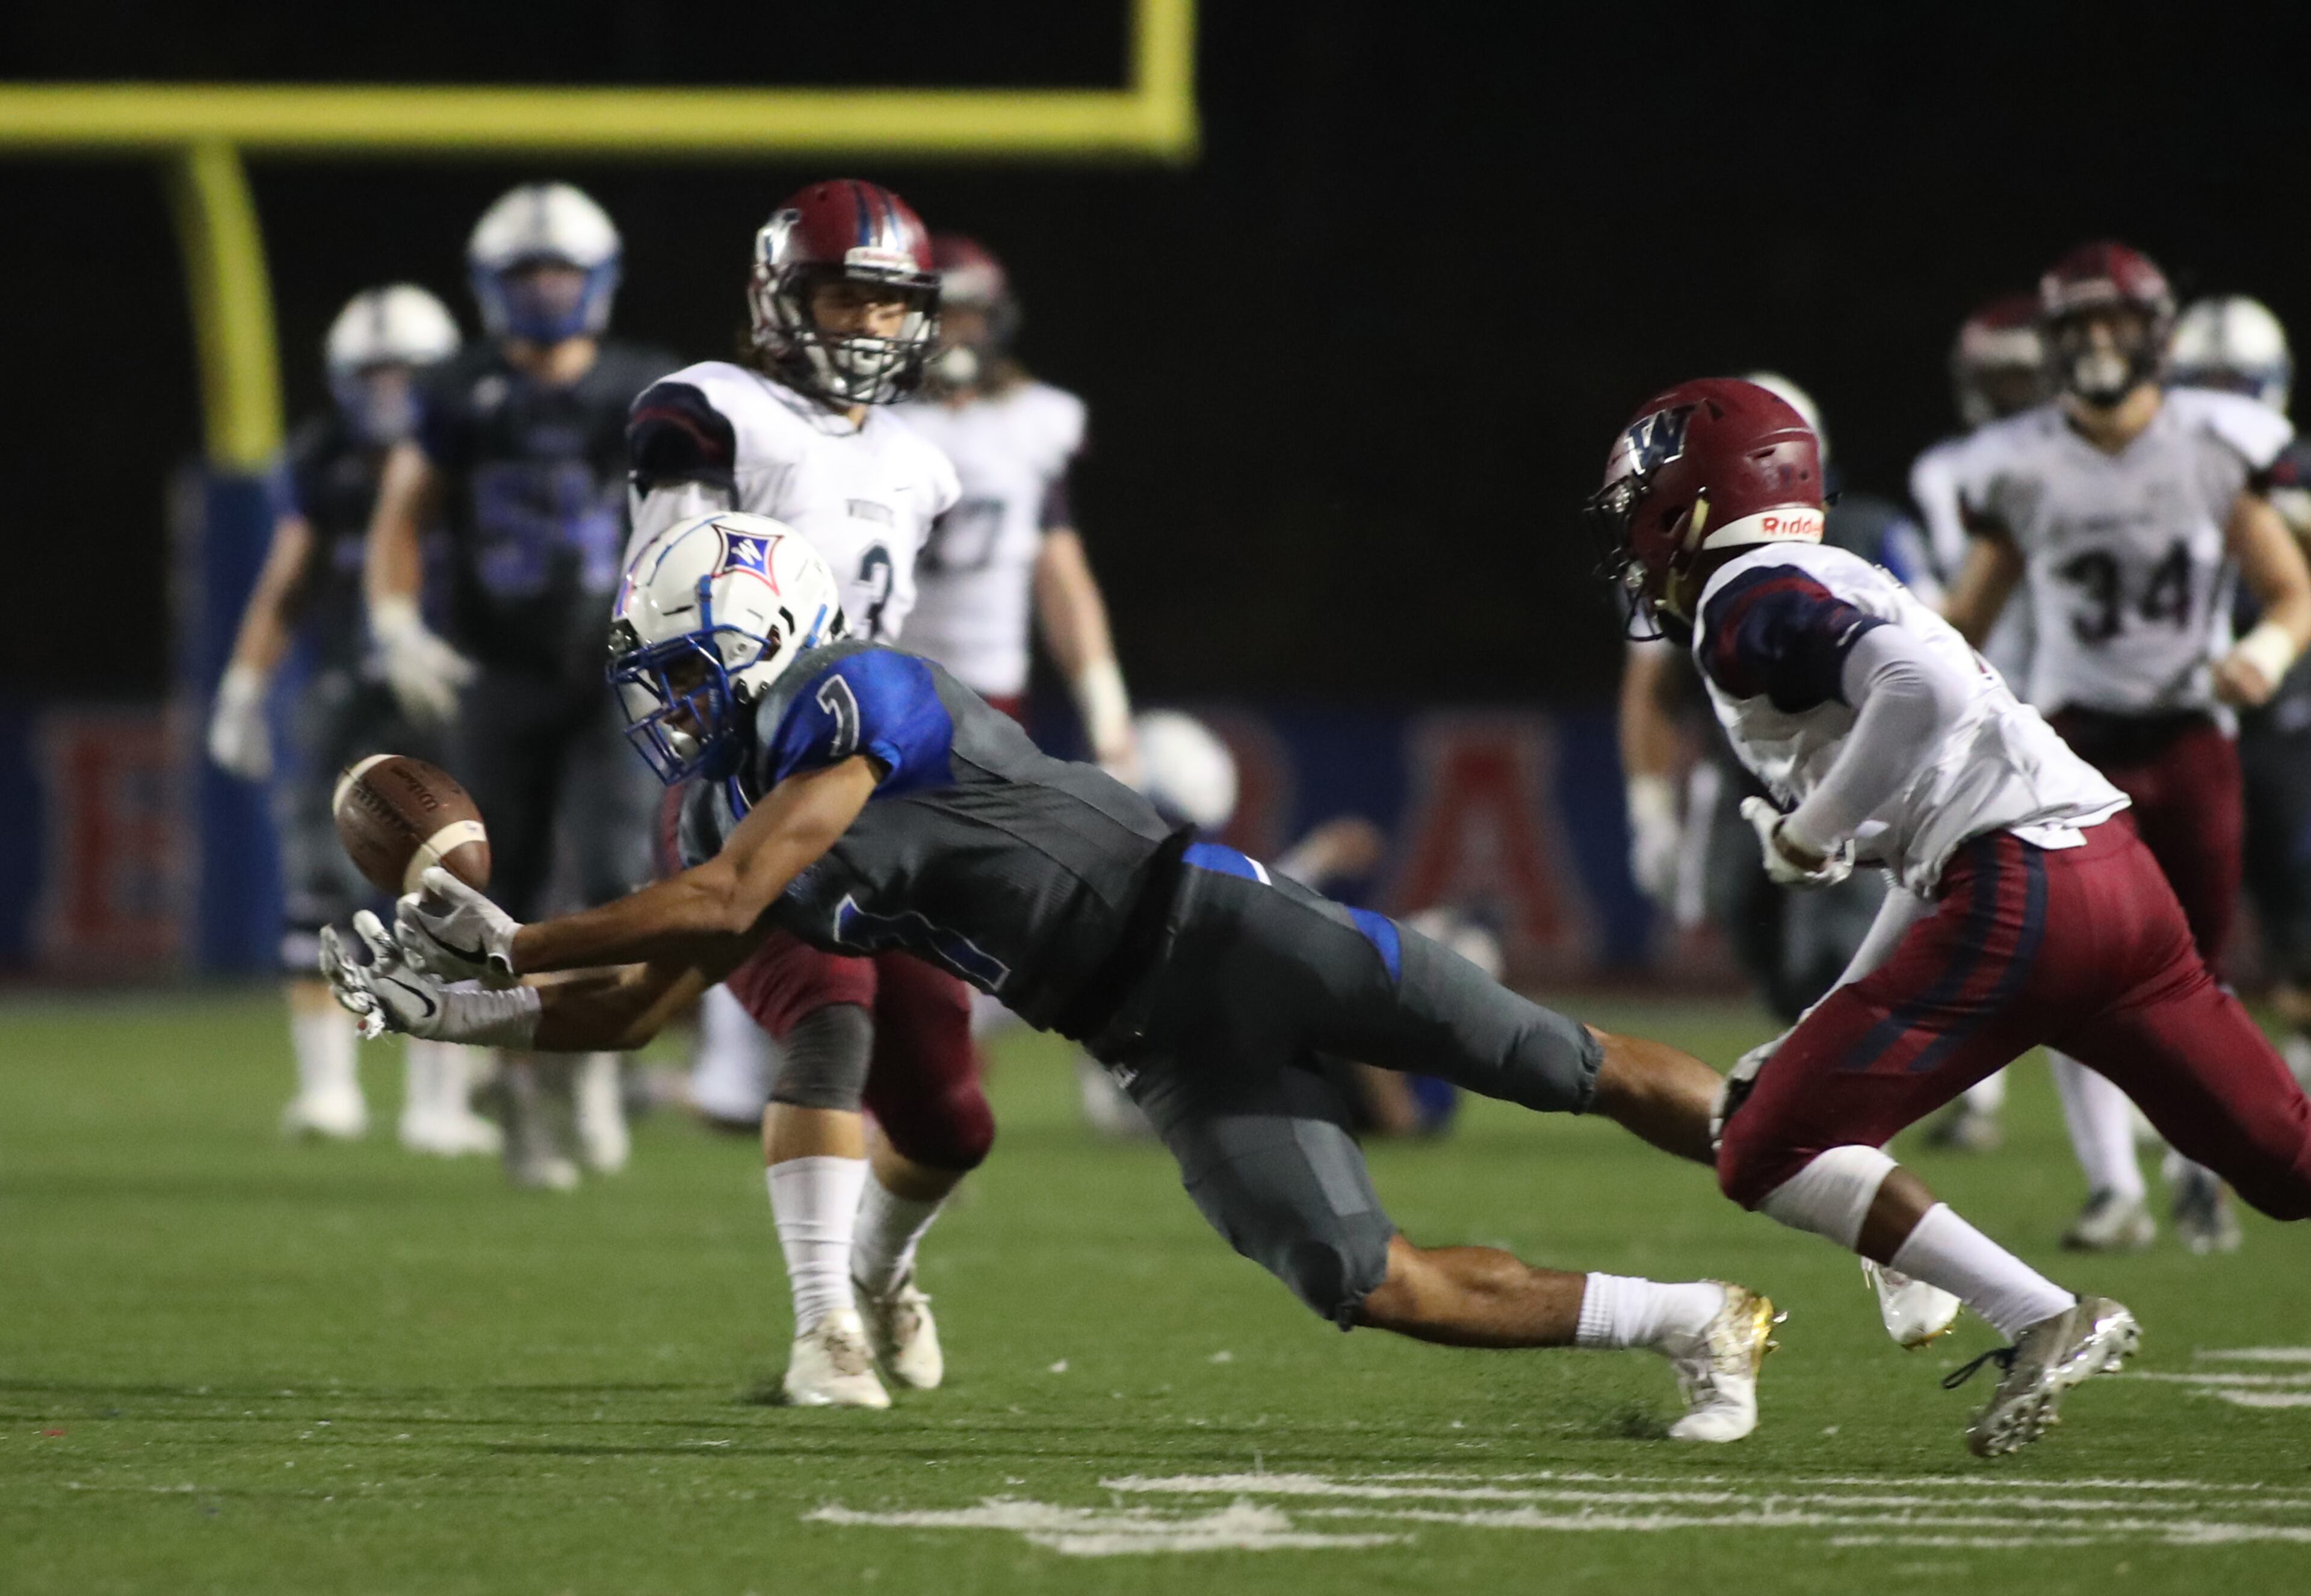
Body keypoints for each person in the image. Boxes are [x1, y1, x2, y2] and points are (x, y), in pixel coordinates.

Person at [329, 510, 1784, 1444]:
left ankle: (1852, 1189)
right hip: (1140, 1033)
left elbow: (719, 898)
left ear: (761, 636)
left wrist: (515, 936)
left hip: (1223, 927)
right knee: (1355, 1274)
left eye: (686, 669)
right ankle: (1697, 1319)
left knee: (1557, 1065)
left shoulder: (857, 691)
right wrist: (462, 1009)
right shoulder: (729, 811)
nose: (670, 705)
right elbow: (640, 1003)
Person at [1587, 375, 2311, 1454]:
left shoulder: (1745, 602)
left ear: (1692, 504)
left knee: (1762, 1144)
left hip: (2020, 897)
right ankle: (2031, 1309)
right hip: (2113, 882)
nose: (1634, 543)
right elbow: (1931, 853)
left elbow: (1921, 689)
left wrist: (1811, 829)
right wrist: (1816, 1018)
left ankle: (2040, 1314)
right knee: (2288, 1166)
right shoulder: (1824, 574)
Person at [620, 179, 972, 1409]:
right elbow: (661, 597)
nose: (874, 327)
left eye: (894, 304)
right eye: (848, 296)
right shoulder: (714, 413)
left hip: (883, 788)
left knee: (952, 1113)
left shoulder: (924, 466)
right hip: (749, 771)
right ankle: (824, 1327)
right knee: (831, 1019)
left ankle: (884, 1271)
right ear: (783, 297)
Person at [1940, 243, 2311, 1253]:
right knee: (2069, 969)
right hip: (2075, 744)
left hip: (2193, 737)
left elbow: (2292, 587)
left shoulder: (2213, 445)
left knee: (2199, 971)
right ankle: (2114, 1185)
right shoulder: (2019, 466)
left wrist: (2267, 652)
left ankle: (2199, 1169)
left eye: (2115, 325)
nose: (2099, 346)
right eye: (2079, 330)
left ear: (2157, 334)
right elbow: (1967, 613)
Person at [362, 182, 675, 1190]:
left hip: (614, 668)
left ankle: (586, 1062)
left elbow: (693, 520)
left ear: (600, 280)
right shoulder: (458, 389)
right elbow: (403, 508)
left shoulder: (649, 386)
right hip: (499, 669)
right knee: (497, 891)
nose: (546, 292)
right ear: (493, 288)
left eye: (562, 273)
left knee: (625, 868)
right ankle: (527, 1089)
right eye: (528, 274)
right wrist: (395, 619)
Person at [206, 283, 498, 1155]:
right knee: (317, 892)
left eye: (406, 372)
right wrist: (243, 686)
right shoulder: (326, 458)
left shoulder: (483, 450)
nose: (389, 391)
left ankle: (439, 1101)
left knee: (456, 897)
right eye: (373, 373)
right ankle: (329, 1090)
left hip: (453, 689)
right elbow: (288, 581)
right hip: (347, 693)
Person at [1620, 376, 1916, 1023]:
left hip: (1855, 759)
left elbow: (1928, 680)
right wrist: (1651, 809)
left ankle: (1857, 1098)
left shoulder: (1855, 545)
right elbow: (1652, 687)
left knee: (1832, 954)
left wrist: (1833, 812)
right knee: (1752, 930)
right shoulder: (1690, 558)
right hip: (1746, 770)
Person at [895, 235, 1139, 774]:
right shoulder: (875, 421)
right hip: (883, 684)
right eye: (941, 315)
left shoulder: (1033, 422)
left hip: (990, 692)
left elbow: (1062, 578)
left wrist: (1106, 710)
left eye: (968, 315)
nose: (955, 333)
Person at [1907, 292, 2050, 1152]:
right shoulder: (1945, 470)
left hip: (2092, 699)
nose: (2011, 394)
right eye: (1999, 379)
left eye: (2022, 376)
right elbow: (1940, 589)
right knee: (1973, 897)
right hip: (1990, 697)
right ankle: (1980, 1095)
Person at [2168, 294, 2311, 1091]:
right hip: (2179, 712)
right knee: (2174, 923)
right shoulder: (2160, 466)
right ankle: (2185, 1086)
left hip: (2286, 711)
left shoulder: (2290, 470)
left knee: (2299, 908)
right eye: (2205, 380)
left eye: (2236, 381)